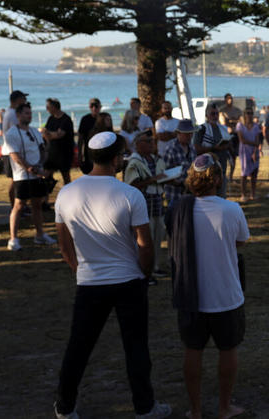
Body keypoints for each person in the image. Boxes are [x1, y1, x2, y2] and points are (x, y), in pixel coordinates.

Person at [54, 132, 171, 419]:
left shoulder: (67, 193)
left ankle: (65, 407)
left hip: (90, 282)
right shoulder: (130, 194)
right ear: (117, 158)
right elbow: (145, 243)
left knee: (78, 347)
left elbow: (64, 244)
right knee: (136, 347)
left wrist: (78, 269)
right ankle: (145, 407)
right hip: (128, 280)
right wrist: (144, 274)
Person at [166, 153, 250, 419]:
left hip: (191, 295)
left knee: (193, 350)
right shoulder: (232, 209)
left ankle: (196, 410)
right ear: (216, 179)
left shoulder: (178, 209)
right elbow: (240, 242)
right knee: (228, 350)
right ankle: (224, 408)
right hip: (226, 294)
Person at [3, 102, 56, 251]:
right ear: (18, 115)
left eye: (30, 113)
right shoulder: (12, 133)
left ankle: (40, 235)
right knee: (19, 206)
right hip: (22, 176)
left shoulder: (34, 131)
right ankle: (13, 239)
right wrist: (31, 168)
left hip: (36, 175)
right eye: (26, 113)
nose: (29, 115)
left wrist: (42, 165)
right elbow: (15, 156)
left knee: (37, 205)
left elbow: (42, 149)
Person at [124, 133, 167, 280]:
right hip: (144, 203)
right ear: (138, 144)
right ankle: (143, 269)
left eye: (152, 141)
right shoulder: (134, 162)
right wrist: (152, 180)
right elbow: (132, 184)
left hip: (157, 202)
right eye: (147, 141)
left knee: (158, 234)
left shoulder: (156, 159)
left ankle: (154, 267)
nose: (151, 144)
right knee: (145, 238)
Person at [193, 104, 231, 198]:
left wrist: (228, 145)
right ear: (206, 115)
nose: (215, 116)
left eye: (216, 114)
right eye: (212, 114)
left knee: (221, 197)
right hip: (207, 171)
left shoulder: (223, 129)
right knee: (209, 197)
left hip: (221, 168)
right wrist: (214, 148)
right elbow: (196, 149)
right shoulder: (201, 129)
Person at [163, 119, 197, 208]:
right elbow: (164, 174)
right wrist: (180, 183)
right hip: (174, 194)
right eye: (186, 134)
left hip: (189, 194)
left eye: (191, 133)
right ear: (178, 133)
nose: (189, 136)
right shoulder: (171, 149)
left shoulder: (192, 148)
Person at [2, 90, 28, 206]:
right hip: (11, 151)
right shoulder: (12, 114)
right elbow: (17, 132)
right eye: (23, 98)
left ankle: (19, 205)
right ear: (17, 100)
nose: (25, 101)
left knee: (17, 180)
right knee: (15, 180)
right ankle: (16, 206)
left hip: (11, 150)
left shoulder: (10, 112)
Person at [42, 98, 75, 185]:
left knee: (66, 176)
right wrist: (51, 134)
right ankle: (45, 195)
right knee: (47, 175)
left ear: (54, 107)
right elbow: (45, 134)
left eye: (48, 107)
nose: (47, 109)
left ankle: (68, 195)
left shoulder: (66, 119)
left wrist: (50, 134)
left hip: (64, 153)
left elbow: (59, 135)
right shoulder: (51, 118)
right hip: (52, 152)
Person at [236, 107, 262, 202]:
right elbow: (242, 140)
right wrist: (254, 144)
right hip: (244, 151)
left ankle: (253, 194)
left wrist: (255, 151)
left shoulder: (256, 126)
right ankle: (243, 194)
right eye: (248, 113)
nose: (250, 115)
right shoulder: (240, 125)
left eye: (251, 113)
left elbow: (257, 140)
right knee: (244, 173)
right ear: (244, 114)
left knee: (254, 173)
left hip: (253, 151)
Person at [220, 93, 242, 183]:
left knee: (234, 156)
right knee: (225, 156)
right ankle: (223, 175)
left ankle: (231, 176)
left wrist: (231, 120)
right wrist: (233, 121)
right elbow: (223, 123)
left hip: (236, 135)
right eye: (228, 99)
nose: (230, 100)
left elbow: (241, 121)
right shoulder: (222, 111)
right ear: (225, 100)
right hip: (227, 136)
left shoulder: (236, 110)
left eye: (231, 98)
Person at [78, 98, 102, 175]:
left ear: (100, 107)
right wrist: (79, 154)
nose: (94, 108)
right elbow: (80, 138)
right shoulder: (85, 119)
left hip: (102, 152)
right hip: (88, 152)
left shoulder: (104, 118)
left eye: (96, 106)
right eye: (92, 106)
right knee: (89, 174)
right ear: (89, 107)